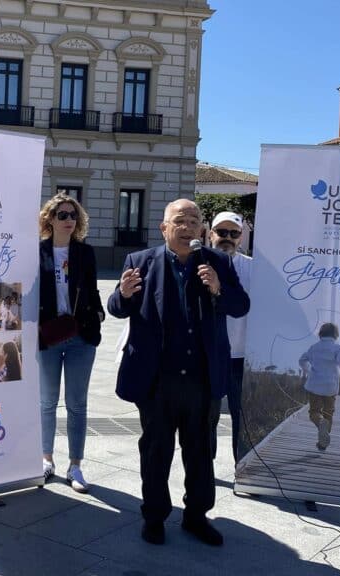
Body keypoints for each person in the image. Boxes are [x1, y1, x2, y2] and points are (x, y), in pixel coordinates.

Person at [107, 199, 249, 547]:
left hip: (202, 379)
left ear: (203, 228)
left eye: (194, 220)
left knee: (200, 452)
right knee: (156, 451)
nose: (187, 227)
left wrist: (218, 287)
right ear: (164, 227)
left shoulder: (217, 261)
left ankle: (196, 517)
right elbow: (116, 307)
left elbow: (241, 305)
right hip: (156, 380)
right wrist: (122, 295)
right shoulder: (139, 261)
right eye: (180, 220)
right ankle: (154, 517)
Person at [38, 193, 104, 493]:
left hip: (80, 336)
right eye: (62, 215)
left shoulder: (85, 253)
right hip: (49, 335)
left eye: (72, 215)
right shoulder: (37, 252)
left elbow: (91, 288)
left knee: (77, 404)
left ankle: (75, 465)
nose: (68, 220)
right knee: (47, 402)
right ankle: (46, 459)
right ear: (49, 219)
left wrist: (99, 312)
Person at [207, 211, 251, 463]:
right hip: (210, 353)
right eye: (221, 232)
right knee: (208, 415)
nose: (227, 238)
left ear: (241, 237)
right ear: (210, 233)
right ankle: (205, 469)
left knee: (241, 415)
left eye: (233, 233)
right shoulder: (196, 262)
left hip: (241, 356)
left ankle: (242, 468)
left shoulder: (254, 267)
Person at [299, 323, 340, 451]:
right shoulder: (337, 349)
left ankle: (320, 423)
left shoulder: (314, 347)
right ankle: (323, 443)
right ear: (336, 335)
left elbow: (302, 360)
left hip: (314, 386)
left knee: (314, 412)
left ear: (320, 334)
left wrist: (308, 371)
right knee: (328, 413)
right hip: (330, 388)